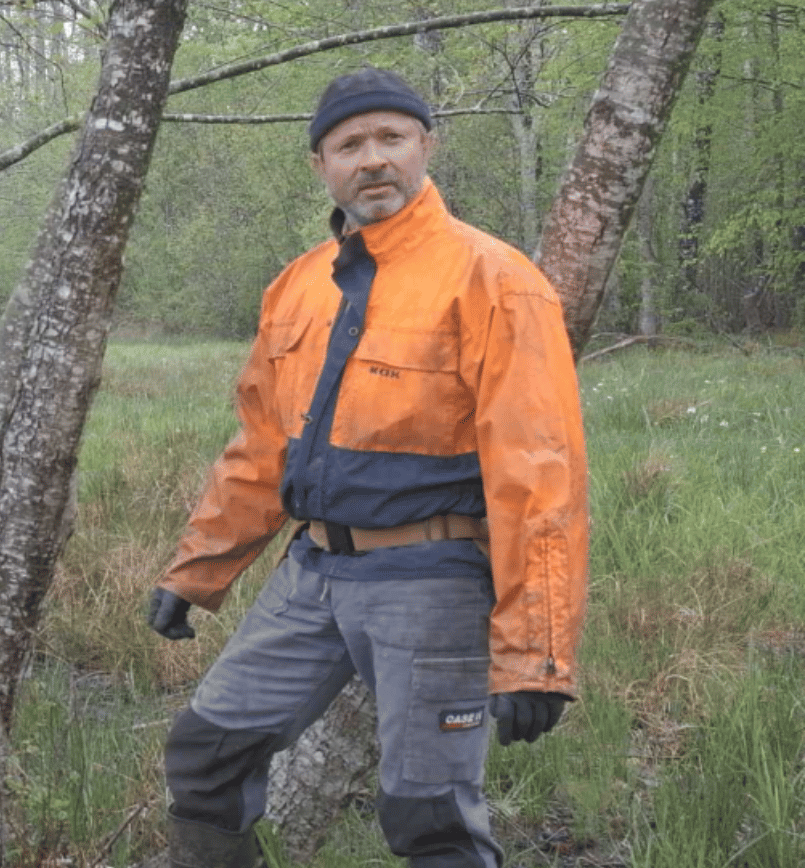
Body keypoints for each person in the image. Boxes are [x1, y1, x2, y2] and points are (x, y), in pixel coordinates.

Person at [144, 68, 590, 868]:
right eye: (350, 144)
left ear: (427, 146)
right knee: (205, 755)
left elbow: (539, 475)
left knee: (432, 820)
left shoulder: (495, 281)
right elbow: (260, 449)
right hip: (312, 574)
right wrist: (195, 573)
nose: (373, 159)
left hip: (433, 581)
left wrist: (537, 654)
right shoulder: (297, 287)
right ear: (322, 165)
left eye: (392, 138)